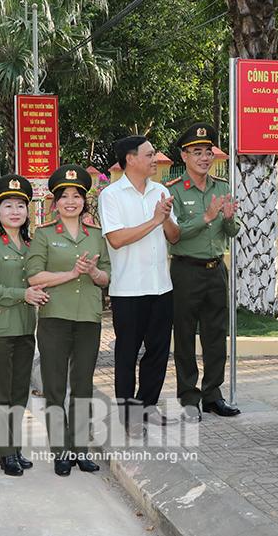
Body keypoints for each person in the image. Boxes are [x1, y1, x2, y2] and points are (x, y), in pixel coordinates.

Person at [26, 165, 110, 476]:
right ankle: (60, 451)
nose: (71, 201)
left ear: (84, 201)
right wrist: (71, 274)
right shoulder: (45, 234)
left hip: (88, 317)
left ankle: (80, 449)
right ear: (55, 202)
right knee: (55, 387)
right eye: (65, 196)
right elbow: (34, 275)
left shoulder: (96, 236)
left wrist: (93, 273)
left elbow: (106, 278)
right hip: (54, 318)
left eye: (77, 196)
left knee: (83, 385)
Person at [99, 135, 178, 432]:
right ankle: (129, 416)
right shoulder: (111, 195)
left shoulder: (160, 191)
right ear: (130, 159)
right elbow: (117, 239)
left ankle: (148, 406)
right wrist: (155, 220)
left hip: (161, 287)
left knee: (158, 353)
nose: (155, 159)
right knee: (127, 355)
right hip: (129, 291)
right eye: (149, 154)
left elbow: (174, 236)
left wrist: (167, 218)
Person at [165, 123, 241, 422]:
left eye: (208, 152)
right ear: (184, 156)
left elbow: (232, 231)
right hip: (186, 270)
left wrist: (229, 219)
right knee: (184, 335)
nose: (204, 158)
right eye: (197, 152)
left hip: (215, 270)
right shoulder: (173, 193)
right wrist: (207, 217)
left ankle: (212, 395)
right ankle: (187, 396)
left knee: (215, 336)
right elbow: (175, 234)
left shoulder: (222, 187)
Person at [0, 174, 48, 477]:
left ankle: (15, 447)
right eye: (8, 205)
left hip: (23, 327)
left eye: (21, 205)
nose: (15, 211)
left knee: (19, 391)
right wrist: (24, 294)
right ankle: (5, 453)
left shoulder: (31, 244)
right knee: (0, 393)